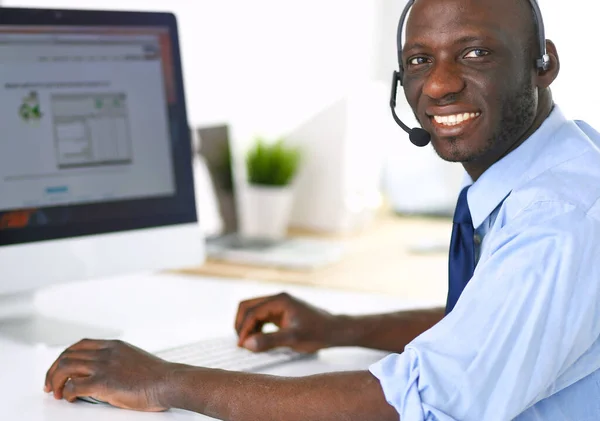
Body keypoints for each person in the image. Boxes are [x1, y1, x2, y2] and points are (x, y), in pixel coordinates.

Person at [44, 0, 600, 419]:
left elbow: (415, 401)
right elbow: (492, 326)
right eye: (419, 60)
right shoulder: (565, 160)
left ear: (543, 62)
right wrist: (337, 327)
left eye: (475, 53)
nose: (439, 84)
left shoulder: (556, 217)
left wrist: (166, 381)